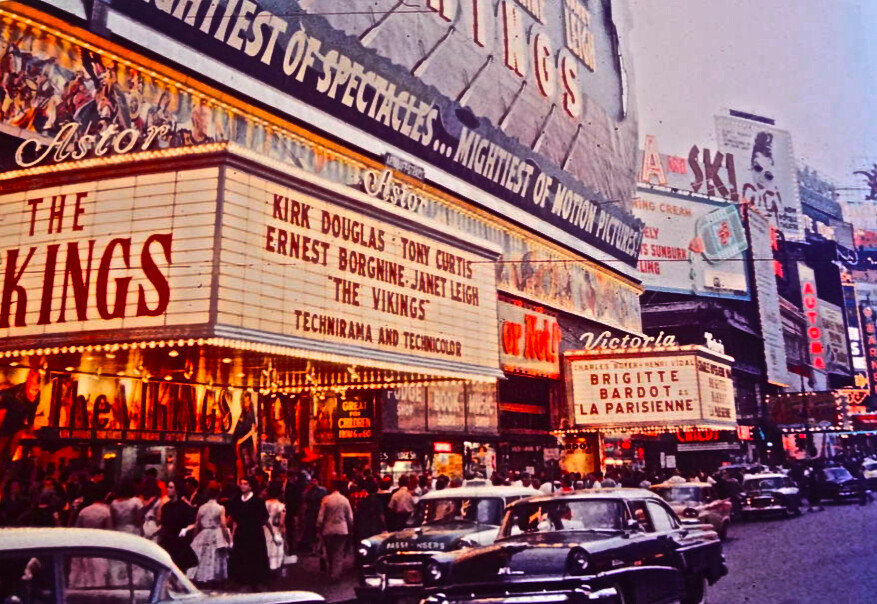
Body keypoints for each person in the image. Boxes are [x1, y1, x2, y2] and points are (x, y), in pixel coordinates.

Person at [228, 476, 272, 591]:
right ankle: (244, 581)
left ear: (251, 486)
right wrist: (232, 537)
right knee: (242, 557)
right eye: (241, 483)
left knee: (254, 557)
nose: (242, 486)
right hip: (241, 533)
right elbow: (234, 521)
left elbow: (265, 519)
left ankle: (256, 581)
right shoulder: (237, 500)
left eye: (245, 484)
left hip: (254, 533)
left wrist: (273, 533)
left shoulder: (257, 501)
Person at [186, 483, 229, 586]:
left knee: (202, 556)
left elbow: (197, 525)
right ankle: (213, 578)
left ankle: (202, 578)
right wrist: (227, 538)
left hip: (204, 533)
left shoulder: (202, 508)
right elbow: (223, 524)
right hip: (215, 533)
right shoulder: (220, 508)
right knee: (214, 556)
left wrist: (194, 537)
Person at [157, 479, 197, 572]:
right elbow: (163, 525)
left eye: (171, 487)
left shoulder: (185, 507)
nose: (168, 489)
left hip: (180, 542)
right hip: (168, 541)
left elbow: (193, 523)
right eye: (168, 487)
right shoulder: (165, 507)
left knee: (179, 568)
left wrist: (185, 530)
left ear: (176, 490)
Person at [317, 480, 353, 580]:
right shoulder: (345, 500)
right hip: (342, 529)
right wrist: (350, 528)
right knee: (339, 552)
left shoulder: (326, 500)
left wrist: (319, 529)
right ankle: (336, 573)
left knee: (329, 551)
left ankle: (331, 569)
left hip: (328, 529)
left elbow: (320, 517)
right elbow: (350, 517)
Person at [263, 481, 286, 573]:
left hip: (263, 529)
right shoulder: (281, 506)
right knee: (274, 549)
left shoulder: (263, 504)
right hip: (275, 529)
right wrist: (283, 531)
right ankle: (274, 567)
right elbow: (281, 522)